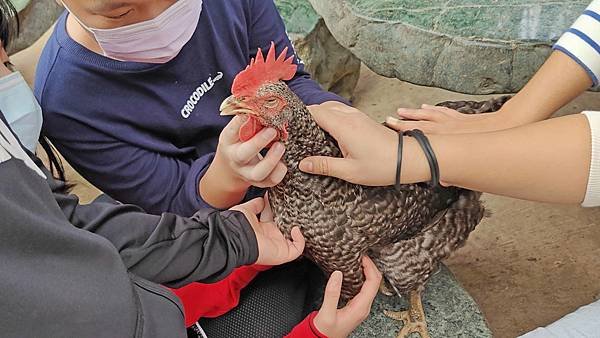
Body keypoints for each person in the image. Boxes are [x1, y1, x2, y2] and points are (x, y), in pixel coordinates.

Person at [0, 2, 382, 337]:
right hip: (209, 228)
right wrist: (226, 178)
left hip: (258, 227)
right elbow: (169, 211)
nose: (159, 15)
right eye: (120, 10)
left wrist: (337, 118)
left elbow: (292, 84)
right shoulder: (68, 104)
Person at [298, 1, 600, 336]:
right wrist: (510, 118)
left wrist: (416, 159)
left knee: (405, 253)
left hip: (430, 202)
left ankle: (415, 301)